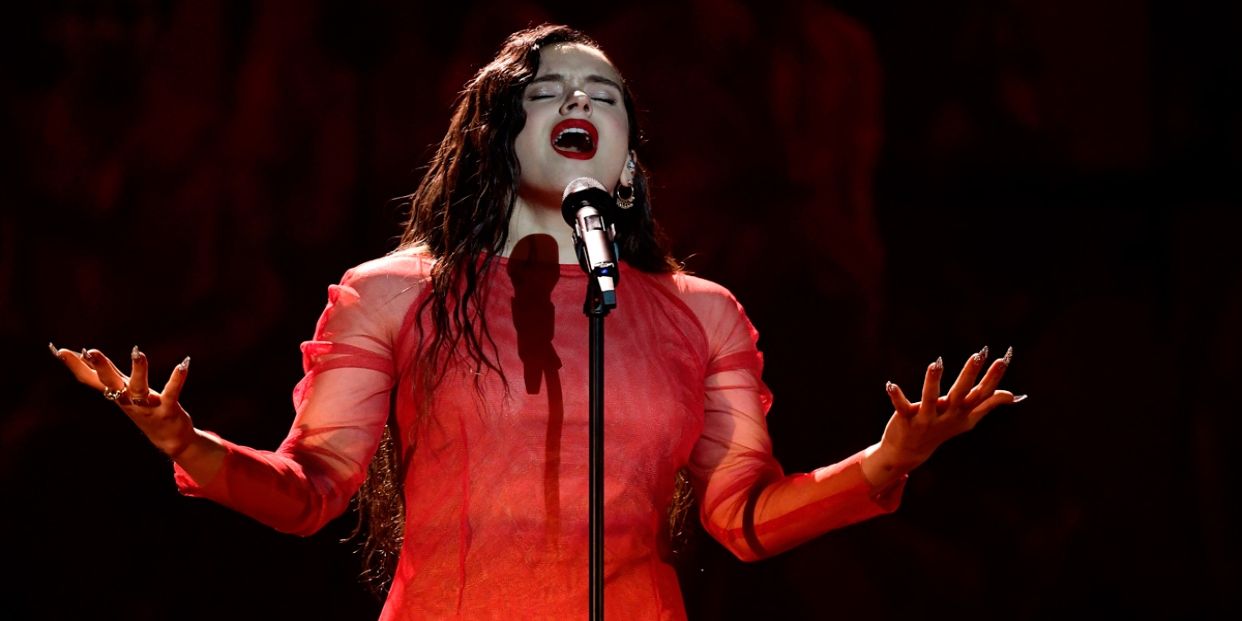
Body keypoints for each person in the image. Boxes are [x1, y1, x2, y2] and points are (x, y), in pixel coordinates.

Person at [51, 24, 1024, 620]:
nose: (579, 107)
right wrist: (196, 447)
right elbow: (311, 492)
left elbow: (742, 520)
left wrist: (885, 463)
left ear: (629, 156)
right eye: (550, 94)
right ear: (495, 135)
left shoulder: (701, 317)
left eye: (601, 97)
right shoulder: (394, 294)